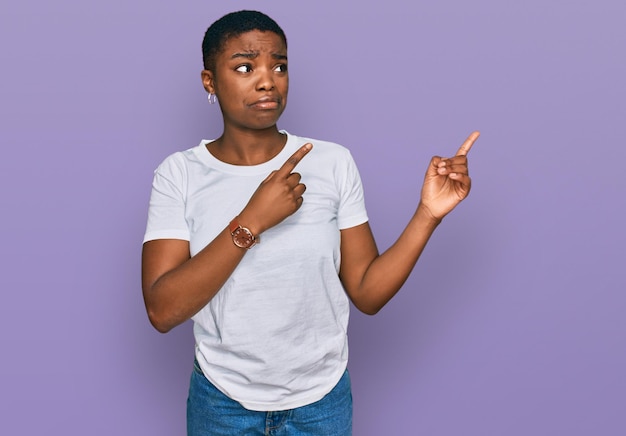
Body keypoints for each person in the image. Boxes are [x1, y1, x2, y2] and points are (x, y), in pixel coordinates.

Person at [141, 9, 479, 436]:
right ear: (210, 81)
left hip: (321, 404)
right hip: (221, 403)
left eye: (279, 65)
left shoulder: (332, 162)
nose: (267, 80)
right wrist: (252, 220)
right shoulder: (180, 173)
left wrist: (427, 215)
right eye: (245, 67)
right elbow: (162, 309)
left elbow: (368, 293)